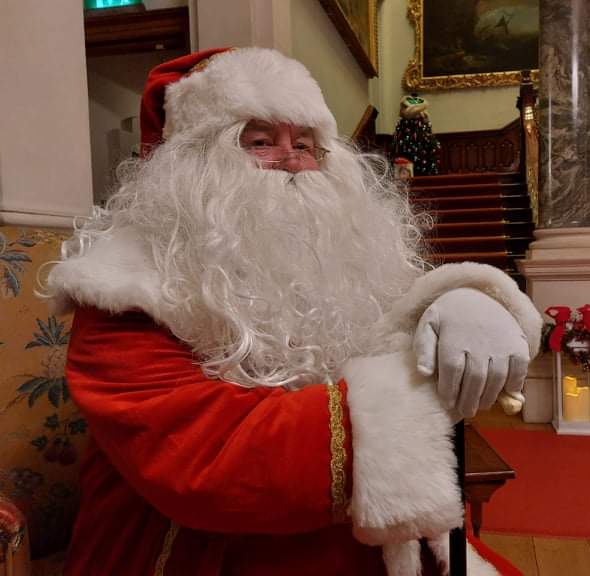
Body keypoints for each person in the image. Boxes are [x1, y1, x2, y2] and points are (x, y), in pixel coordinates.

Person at [46, 47, 542, 575]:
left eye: (304, 143)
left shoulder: (338, 252)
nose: (291, 159)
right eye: (260, 141)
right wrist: (406, 405)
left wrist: (465, 298)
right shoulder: (122, 288)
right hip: (199, 543)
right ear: (194, 162)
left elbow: (399, 317)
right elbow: (203, 459)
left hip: (363, 522)